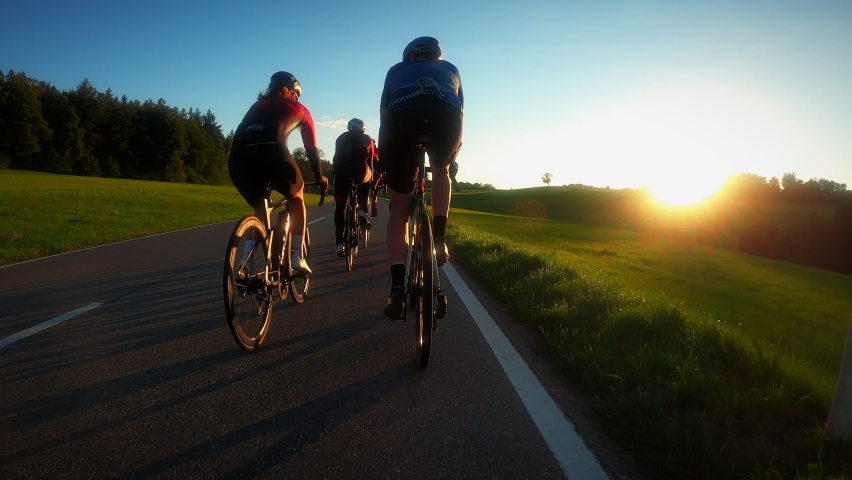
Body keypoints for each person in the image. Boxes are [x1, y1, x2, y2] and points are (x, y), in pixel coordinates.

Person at [379, 36, 463, 318]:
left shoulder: (395, 70)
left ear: (410, 57)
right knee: (440, 172)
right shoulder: (451, 69)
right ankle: (439, 239)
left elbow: (385, 117)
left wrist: (384, 158)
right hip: (446, 119)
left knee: (399, 210)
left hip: (402, 119)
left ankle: (397, 289)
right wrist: (451, 156)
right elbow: (461, 111)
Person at [227, 71, 328, 276]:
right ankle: (297, 257)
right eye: (296, 94)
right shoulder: (301, 109)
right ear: (292, 92)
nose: (297, 98)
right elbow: (311, 148)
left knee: (260, 209)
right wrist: (319, 176)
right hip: (272, 152)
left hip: (238, 157)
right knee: (297, 198)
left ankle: (246, 261)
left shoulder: (256, 105)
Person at [332, 118, 377, 257]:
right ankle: (362, 209)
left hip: (340, 171)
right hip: (359, 170)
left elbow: (336, 157)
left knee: (340, 207)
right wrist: (373, 181)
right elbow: (371, 161)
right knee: (366, 179)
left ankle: (339, 244)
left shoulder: (340, 138)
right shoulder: (367, 139)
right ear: (363, 128)